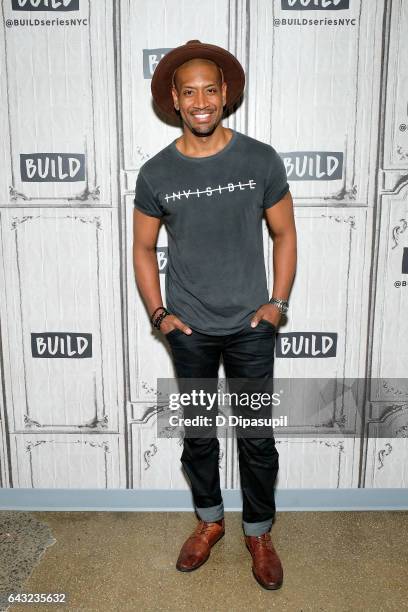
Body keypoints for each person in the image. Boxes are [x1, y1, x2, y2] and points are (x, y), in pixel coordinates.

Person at [133, 40, 297, 590]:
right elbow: (141, 249)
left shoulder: (259, 159)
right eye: (189, 92)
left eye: (210, 89)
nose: (200, 100)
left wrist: (277, 304)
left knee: (256, 437)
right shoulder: (156, 173)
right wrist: (161, 315)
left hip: (251, 327)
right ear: (175, 102)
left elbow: (284, 233)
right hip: (191, 329)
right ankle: (209, 522)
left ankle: (257, 530)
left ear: (225, 95)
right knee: (199, 436)